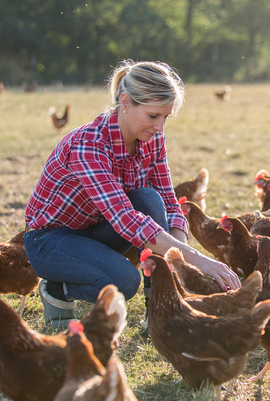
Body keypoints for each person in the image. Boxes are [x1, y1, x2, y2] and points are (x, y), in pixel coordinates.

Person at [24, 59, 240, 329]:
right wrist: (198, 260)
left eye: (165, 117)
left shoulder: (152, 140)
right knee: (124, 281)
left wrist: (180, 262)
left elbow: (169, 204)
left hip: (98, 228)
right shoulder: (88, 145)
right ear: (125, 102)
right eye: (153, 116)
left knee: (149, 198)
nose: (160, 127)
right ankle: (57, 290)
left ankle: (160, 310)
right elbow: (125, 218)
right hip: (51, 240)